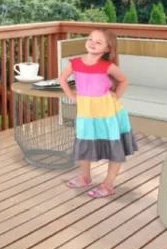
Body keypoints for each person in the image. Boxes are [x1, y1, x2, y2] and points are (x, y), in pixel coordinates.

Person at [58, 29, 138, 198]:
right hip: (86, 112)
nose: (92, 43)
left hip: (109, 112)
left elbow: (124, 80)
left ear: (108, 48)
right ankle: (85, 177)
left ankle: (108, 184)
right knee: (84, 141)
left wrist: (117, 95)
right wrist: (73, 97)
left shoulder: (108, 66)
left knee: (113, 144)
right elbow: (62, 78)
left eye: (99, 42)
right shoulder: (75, 63)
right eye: (90, 39)